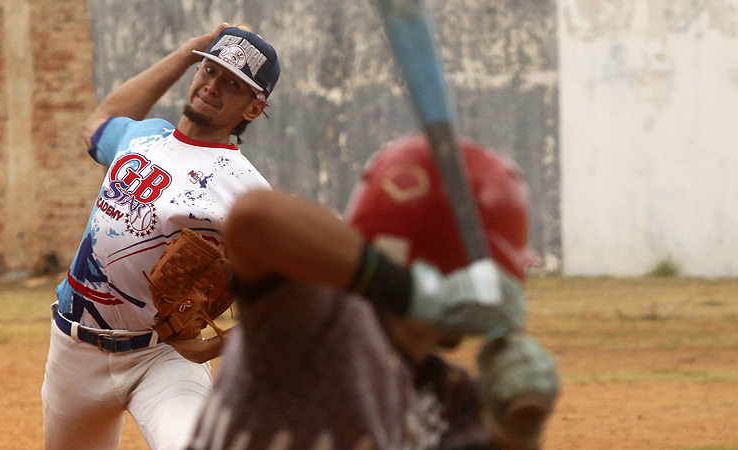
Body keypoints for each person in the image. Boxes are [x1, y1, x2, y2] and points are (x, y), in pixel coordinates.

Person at [185, 135, 560, 450]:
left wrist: (515, 434)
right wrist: (416, 294)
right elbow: (255, 216)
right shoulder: (316, 319)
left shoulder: (446, 396)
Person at [41, 24, 280, 450]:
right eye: (210, 70)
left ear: (253, 107)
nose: (213, 86)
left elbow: (299, 296)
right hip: (73, 352)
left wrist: (212, 348)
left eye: (233, 83)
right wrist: (188, 51)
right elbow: (97, 122)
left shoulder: (247, 193)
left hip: (161, 358)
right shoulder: (144, 134)